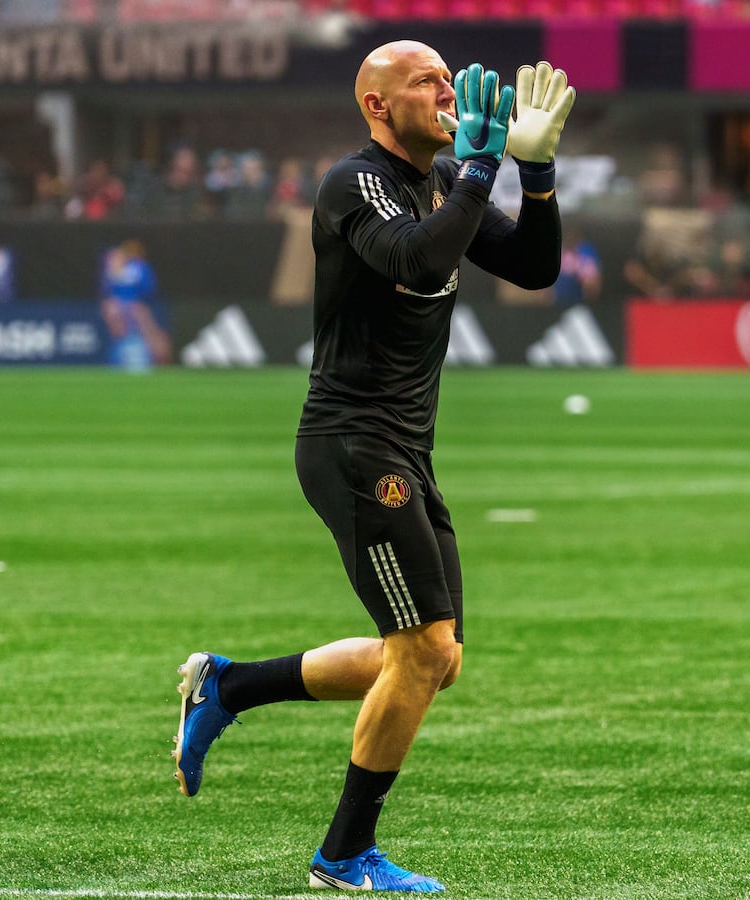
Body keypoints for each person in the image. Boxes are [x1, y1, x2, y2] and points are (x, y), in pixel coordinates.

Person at [171, 42, 574, 894]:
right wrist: (478, 170)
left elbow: (535, 268)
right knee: (424, 649)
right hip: (352, 443)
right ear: (377, 106)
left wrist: (533, 175)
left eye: (445, 76)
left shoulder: (438, 184)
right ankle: (342, 855)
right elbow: (419, 259)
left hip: (403, 448)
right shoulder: (353, 183)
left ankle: (230, 686)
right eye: (425, 81)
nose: (446, 88)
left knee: (437, 657)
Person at [99, 239, 171, 368]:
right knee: (127, 336)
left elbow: (148, 290)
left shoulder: (137, 267)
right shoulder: (121, 267)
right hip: (131, 310)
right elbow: (149, 290)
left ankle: (146, 359)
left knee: (146, 337)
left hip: (134, 310)